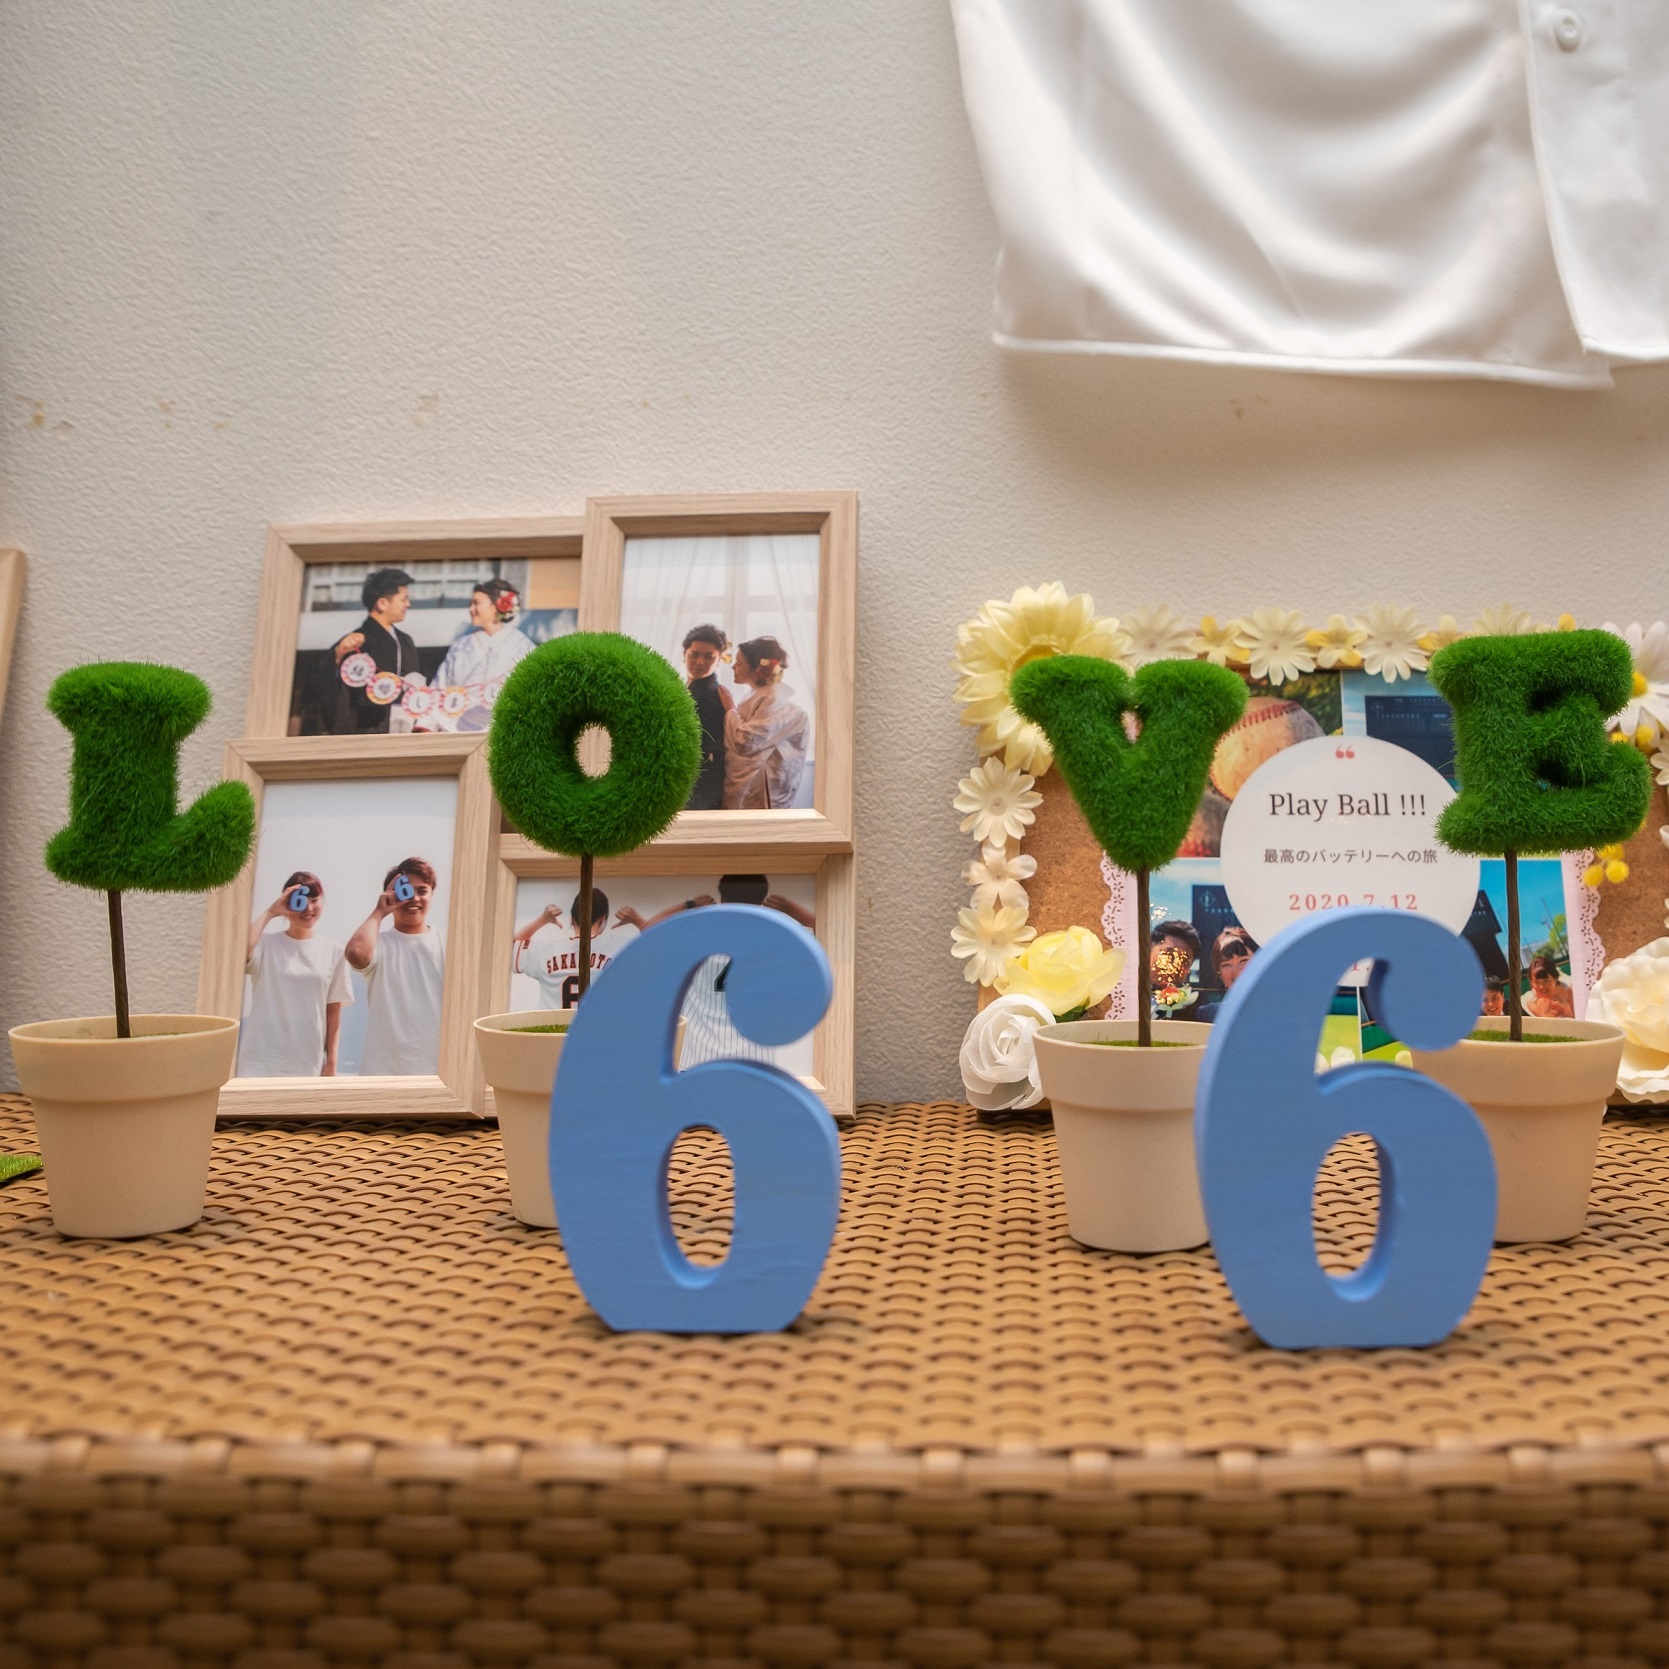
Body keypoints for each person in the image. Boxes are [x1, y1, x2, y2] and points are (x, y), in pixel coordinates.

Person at [616, 876, 818, 1069]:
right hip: (754, 1059)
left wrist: (689, 904)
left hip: (698, 1057)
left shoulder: (697, 931)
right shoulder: (776, 935)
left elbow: (648, 929)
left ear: (722, 897)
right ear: (761, 899)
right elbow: (820, 925)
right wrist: (788, 907)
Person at [237, 871, 353, 1077]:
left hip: (307, 1063)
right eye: (300, 900)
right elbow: (240, 952)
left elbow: (333, 1010)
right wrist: (272, 911)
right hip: (259, 1061)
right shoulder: (266, 944)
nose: (308, 908)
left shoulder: (334, 951)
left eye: (314, 900)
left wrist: (331, 1062)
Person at [346, 858, 444, 1074]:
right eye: (405, 891)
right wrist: (379, 912)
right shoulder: (379, 944)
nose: (414, 898)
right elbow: (356, 953)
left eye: (422, 891)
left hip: (437, 1071)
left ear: (432, 894)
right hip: (383, 1071)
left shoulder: (447, 942)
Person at [431, 578, 537, 731]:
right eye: (471, 604)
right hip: (457, 728)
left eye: (476, 603)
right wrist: (427, 724)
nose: (471, 609)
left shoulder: (520, 644)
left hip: (503, 727)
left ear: (496, 606)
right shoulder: (461, 646)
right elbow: (440, 685)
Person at [513, 889, 640, 1009]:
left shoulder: (546, 950)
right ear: (603, 919)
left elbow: (511, 946)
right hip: (600, 1025)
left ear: (572, 919)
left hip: (554, 1025)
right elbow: (652, 950)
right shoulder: (621, 947)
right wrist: (639, 921)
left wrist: (543, 919)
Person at [326, 568, 418, 734]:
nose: (408, 604)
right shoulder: (355, 642)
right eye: (403, 599)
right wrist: (337, 656)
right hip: (366, 729)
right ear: (382, 603)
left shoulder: (405, 641)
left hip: (403, 725)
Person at [723, 635, 810, 810]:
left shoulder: (773, 700)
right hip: (749, 781)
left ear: (758, 669)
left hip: (760, 785)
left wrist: (730, 709)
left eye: (739, 663)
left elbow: (745, 741)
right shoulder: (757, 694)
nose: (733, 667)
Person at [680, 624, 734, 809]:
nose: (700, 662)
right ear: (684, 654)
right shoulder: (688, 688)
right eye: (694, 654)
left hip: (703, 778)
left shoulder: (714, 694)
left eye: (709, 656)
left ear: (719, 660)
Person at [1193, 926, 1258, 1024]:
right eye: (1226, 965)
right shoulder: (1207, 1015)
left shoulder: (1277, 1010)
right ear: (1219, 972)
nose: (1236, 971)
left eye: (1243, 961)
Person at [1150, 920, 1201, 1018]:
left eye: (1184, 961)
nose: (1175, 965)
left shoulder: (1192, 1010)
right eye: (1168, 955)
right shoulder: (1124, 994)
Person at [1526, 954, 1575, 1019]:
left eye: (1546, 981)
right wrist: (1545, 1011)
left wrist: (1566, 1006)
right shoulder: (1531, 1001)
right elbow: (1547, 1022)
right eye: (1536, 982)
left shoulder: (1568, 990)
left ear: (1555, 979)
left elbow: (1575, 1019)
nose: (1541, 987)